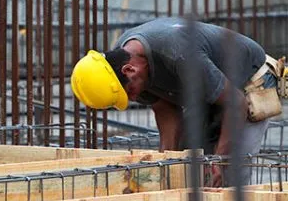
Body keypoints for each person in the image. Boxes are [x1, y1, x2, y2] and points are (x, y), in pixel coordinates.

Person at [70, 17, 285, 186]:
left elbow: (235, 103)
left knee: (230, 172)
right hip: (205, 90)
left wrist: (218, 160)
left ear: (130, 70)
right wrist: (167, 162)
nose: (133, 98)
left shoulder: (179, 53)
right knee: (186, 165)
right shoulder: (123, 60)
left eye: (129, 92)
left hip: (246, 83)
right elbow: (166, 111)